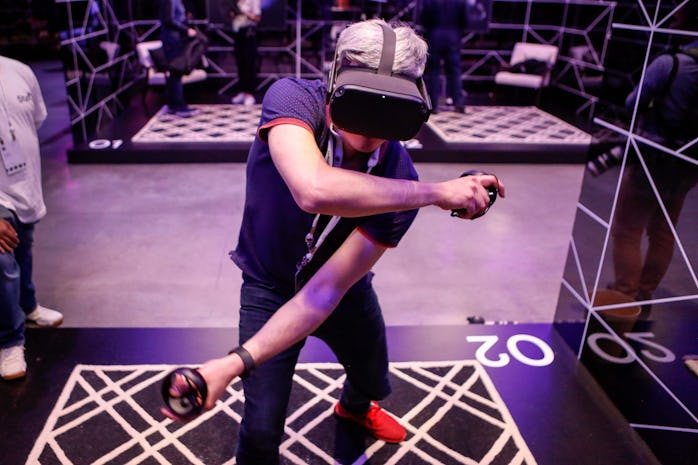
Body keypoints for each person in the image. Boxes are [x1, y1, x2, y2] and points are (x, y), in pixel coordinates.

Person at [162, 19, 504, 463]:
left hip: (342, 290)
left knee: (373, 376)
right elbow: (313, 189)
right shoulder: (293, 100)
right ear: (337, 77)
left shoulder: (401, 179)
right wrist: (438, 194)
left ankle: (354, 407)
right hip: (267, 283)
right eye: (364, 104)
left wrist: (420, 193)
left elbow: (322, 294)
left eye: (390, 110)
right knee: (262, 427)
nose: (371, 128)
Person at [609, 7, 698, 312]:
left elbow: (632, 102)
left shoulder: (671, 63)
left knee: (627, 229)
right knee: (663, 230)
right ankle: (645, 291)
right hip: (689, 162)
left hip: (654, 157)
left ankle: (625, 294)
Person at [0, 56, 63, 381]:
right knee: (3, 262)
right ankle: (10, 340)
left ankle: (28, 308)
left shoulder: (19, 70)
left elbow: (36, 119)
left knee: (23, 248)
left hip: (24, 181)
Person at [418, 0, 468, 113]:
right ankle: (458, 103)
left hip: (434, 37)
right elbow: (464, 21)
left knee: (433, 72)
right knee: (455, 72)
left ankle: (433, 105)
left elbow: (424, 19)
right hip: (453, 38)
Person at [159, 0, 200, 117]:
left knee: (175, 72)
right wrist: (186, 29)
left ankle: (174, 104)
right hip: (172, 39)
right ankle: (178, 105)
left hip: (174, 38)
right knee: (175, 71)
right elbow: (169, 20)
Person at [230, 0, 261, 106]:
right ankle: (242, 92)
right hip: (238, 33)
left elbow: (257, 18)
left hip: (249, 33)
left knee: (249, 64)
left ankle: (250, 94)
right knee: (240, 63)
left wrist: (244, 13)